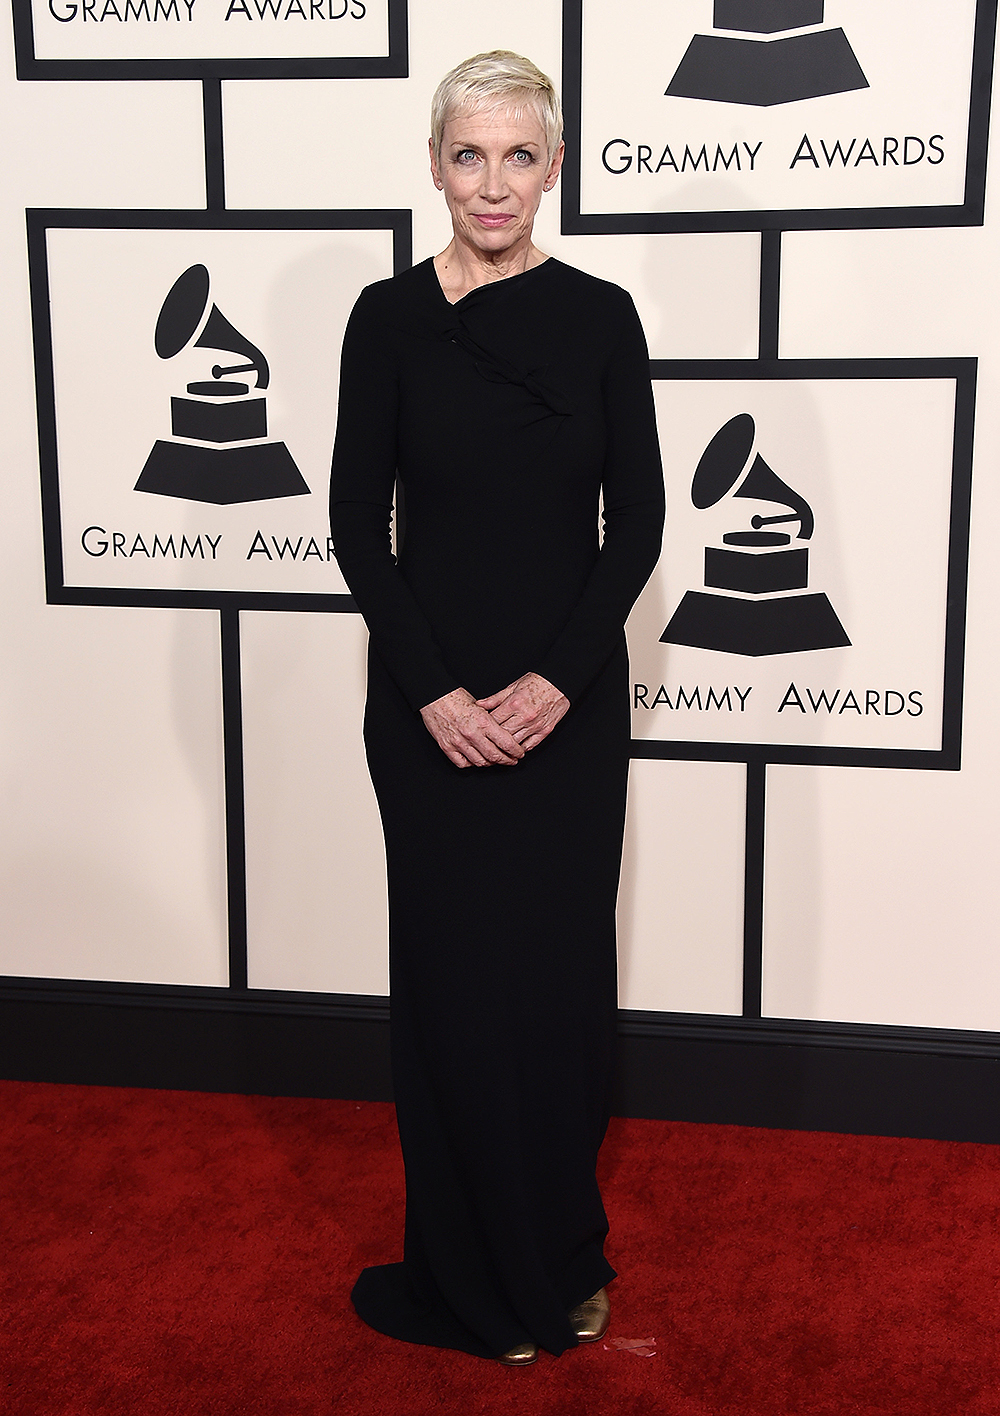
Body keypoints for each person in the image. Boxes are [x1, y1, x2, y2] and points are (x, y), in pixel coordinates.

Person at [330, 50, 665, 1366]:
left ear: (554, 167)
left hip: (566, 716)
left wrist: (550, 686)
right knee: (457, 996)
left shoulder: (602, 316)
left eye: (519, 155)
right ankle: (468, 1282)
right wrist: (437, 694)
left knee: (560, 994)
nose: (493, 182)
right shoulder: (386, 317)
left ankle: (560, 1268)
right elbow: (361, 521)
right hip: (427, 720)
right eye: (469, 154)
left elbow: (634, 524)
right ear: (434, 165)